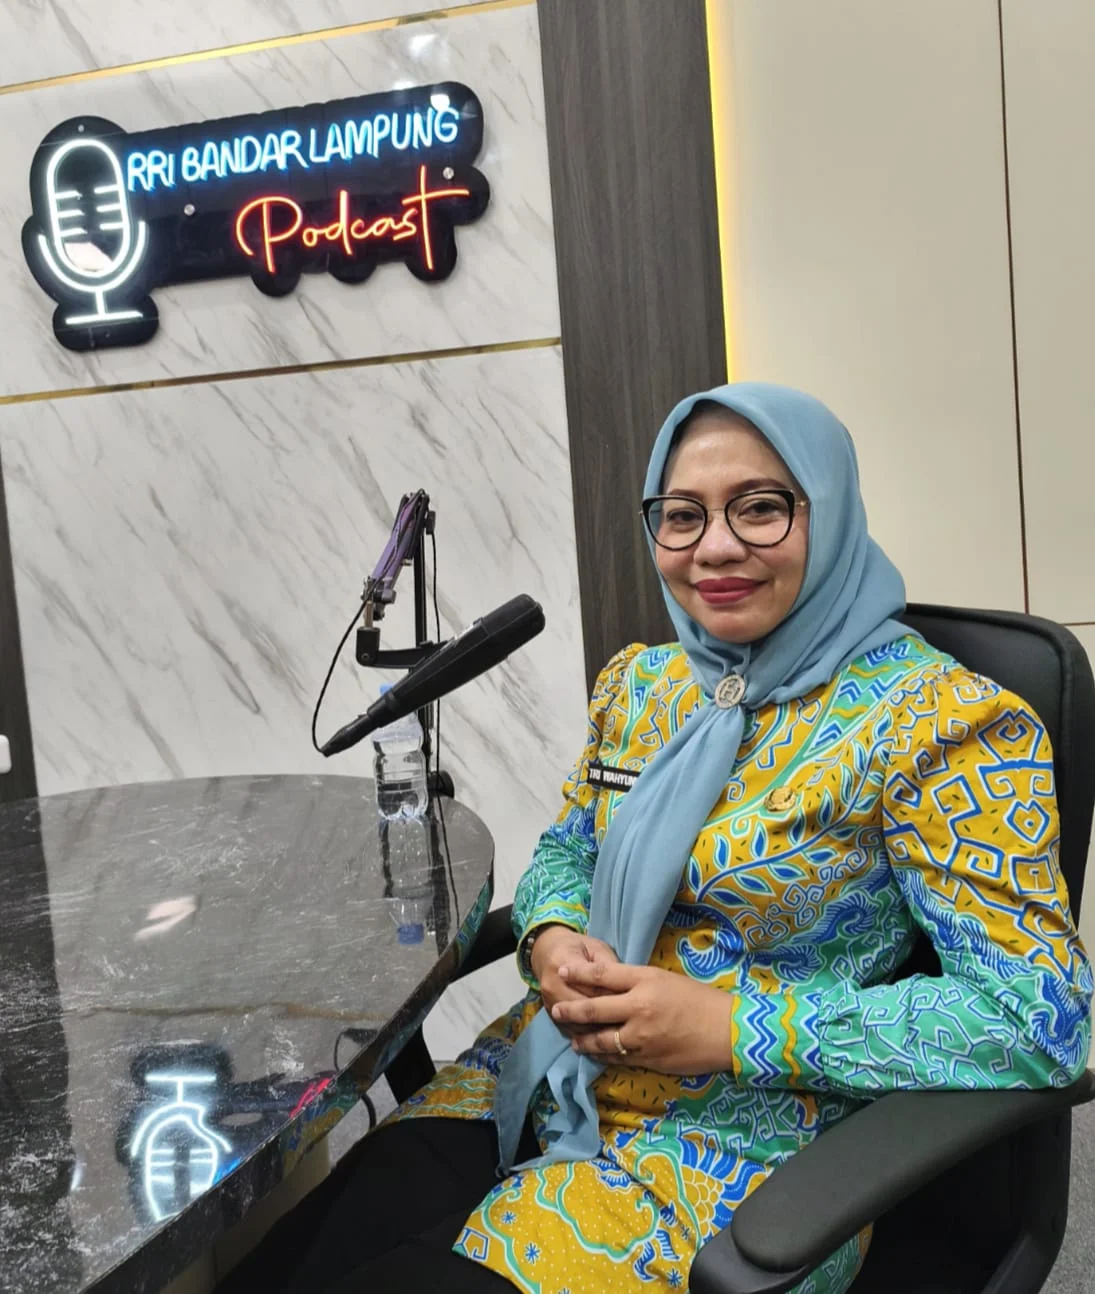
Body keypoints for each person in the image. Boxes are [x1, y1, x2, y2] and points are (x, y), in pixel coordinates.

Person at [218, 383, 1092, 1293]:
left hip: (737, 1143)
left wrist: (733, 1026)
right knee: (280, 1269)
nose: (714, 547)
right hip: (543, 1068)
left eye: (760, 507)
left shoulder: (942, 723)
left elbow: (1039, 1017)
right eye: (682, 515)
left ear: (828, 513)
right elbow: (570, 847)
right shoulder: (645, 687)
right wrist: (552, 935)